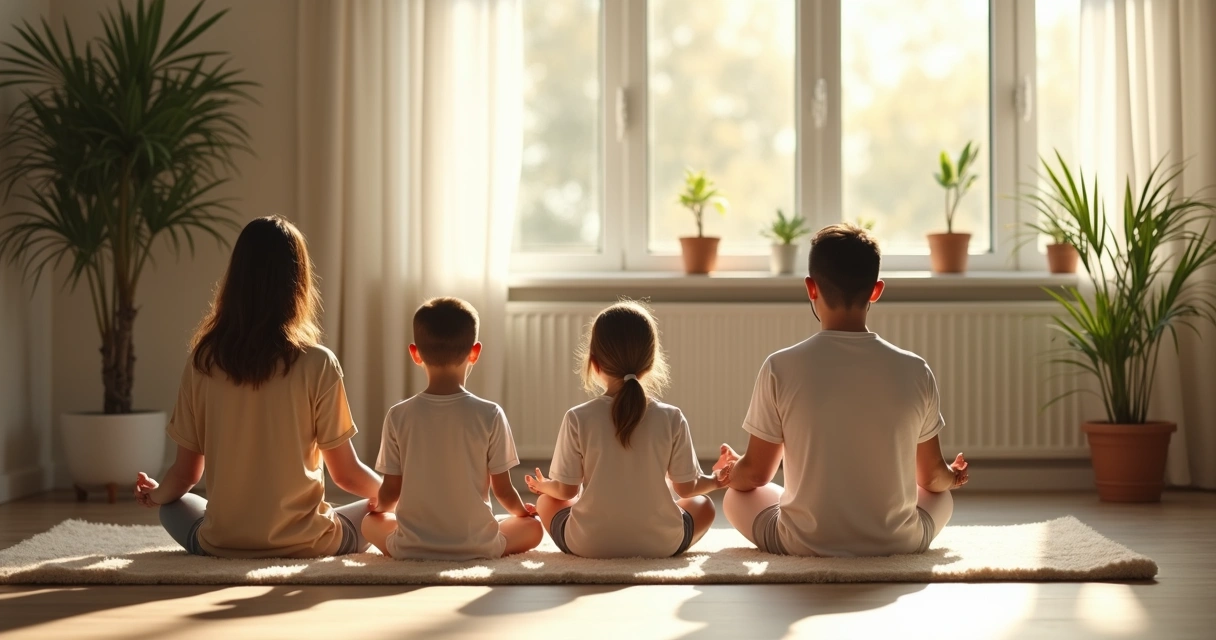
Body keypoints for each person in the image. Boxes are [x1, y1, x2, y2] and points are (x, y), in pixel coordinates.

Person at [134, 215, 382, 558]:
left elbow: (185, 474)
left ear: (236, 279)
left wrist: (157, 494)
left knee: (174, 507)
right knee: (378, 511)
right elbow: (348, 475)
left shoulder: (203, 362)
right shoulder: (318, 363)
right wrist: (395, 493)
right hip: (309, 544)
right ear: (298, 283)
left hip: (223, 544)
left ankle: (226, 537)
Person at [715, 223, 969, 557]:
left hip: (803, 544)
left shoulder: (780, 367)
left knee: (737, 496)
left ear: (811, 288)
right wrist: (953, 477)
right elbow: (932, 478)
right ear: (876, 290)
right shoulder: (915, 369)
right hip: (898, 542)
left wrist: (731, 470)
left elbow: (757, 475)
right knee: (941, 496)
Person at [525, 301, 727, 558]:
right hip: (662, 545)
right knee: (704, 505)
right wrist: (717, 480)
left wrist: (545, 487)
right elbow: (687, 489)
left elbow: (566, 492)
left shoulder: (578, 417)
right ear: (650, 363)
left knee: (547, 502)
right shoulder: (671, 417)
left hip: (588, 545)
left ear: (594, 363)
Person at [362, 297, 543, 560]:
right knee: (534, 529)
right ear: (475, 352)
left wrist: (379, 510)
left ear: (415, 353)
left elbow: (390, 492)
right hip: (477, 545)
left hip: (411, 547)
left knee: (369, 522)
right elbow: (503, 490)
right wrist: (522, 513)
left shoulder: (398, 415)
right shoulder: (490, 414)